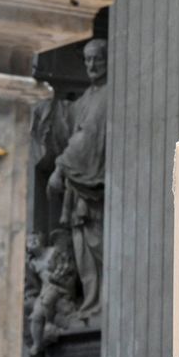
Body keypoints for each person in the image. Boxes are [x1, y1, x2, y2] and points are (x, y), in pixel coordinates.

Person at [45, 38, 108, 317]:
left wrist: (60, 167)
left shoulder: (110, 95)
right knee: (83, 250)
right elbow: (71, 128)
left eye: (98, 58)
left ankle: (99, 302)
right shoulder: (87, 98)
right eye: (88, 60)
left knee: (97, 245)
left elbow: (86, 139)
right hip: (79, 187)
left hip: (95, 186)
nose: (92, 65)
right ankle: (91, 302)